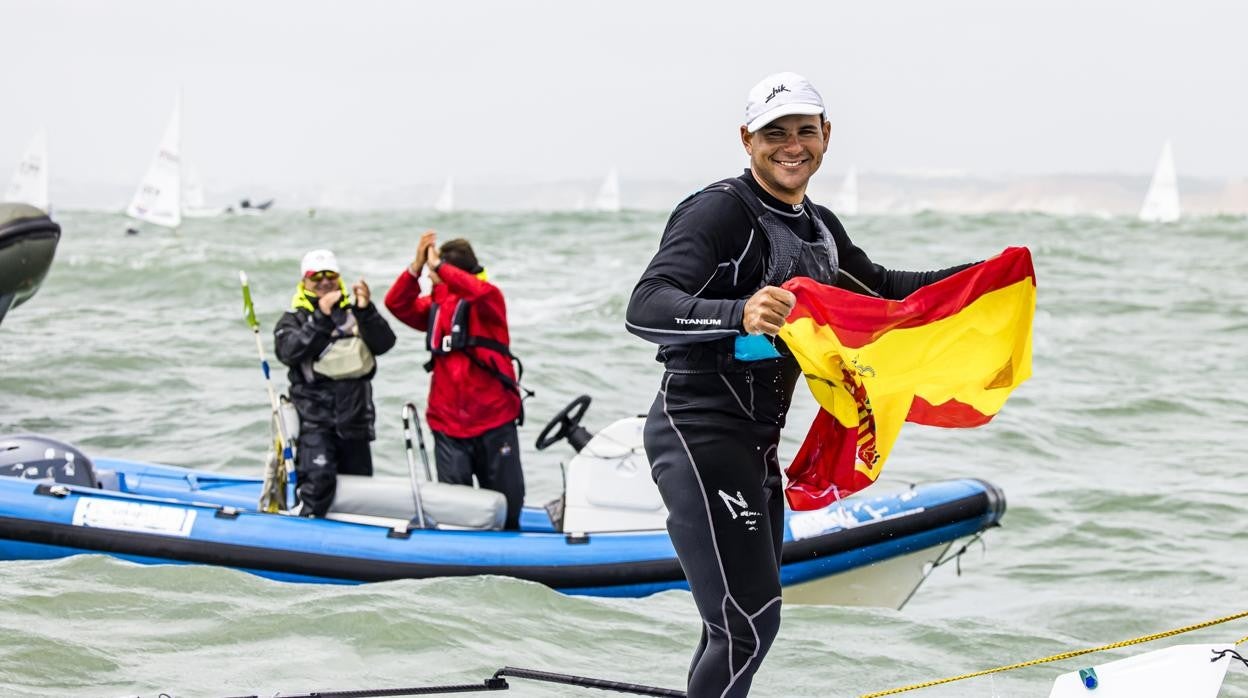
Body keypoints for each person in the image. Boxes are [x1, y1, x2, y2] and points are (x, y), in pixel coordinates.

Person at [624, 72, 976, 697]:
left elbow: (887, 290)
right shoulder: (720, 211)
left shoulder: (818, 226)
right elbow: (646, 305)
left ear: (826, 137)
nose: (793, 146)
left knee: (747, 621)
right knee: (747, 624)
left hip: (756, 444)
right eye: (775, 133)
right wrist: (738, 313)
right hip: (698, 434)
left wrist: (987, 277)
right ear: (747, 139)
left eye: (805, 131)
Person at [385, 230, 527, 530]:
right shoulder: (436, 305)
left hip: (494, 421)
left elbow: (476, 290)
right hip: (449, 426)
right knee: (457, 514)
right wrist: (415, 267)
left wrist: (439, 268)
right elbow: (396, 304)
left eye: (433, 272)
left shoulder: (488, 298)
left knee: (509, 507)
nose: (430, 277)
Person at [275, 248, 396, 517]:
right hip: (315, 423)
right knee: (318, 485)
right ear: (304, 281)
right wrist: (321, 316)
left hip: (355, 421)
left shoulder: (355, 313)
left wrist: (367, 311)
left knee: (359, 493)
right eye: (315, 277)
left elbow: (385, 343)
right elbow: (288, 352)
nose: (324, 282)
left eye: (329, 275)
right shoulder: (293, 318)